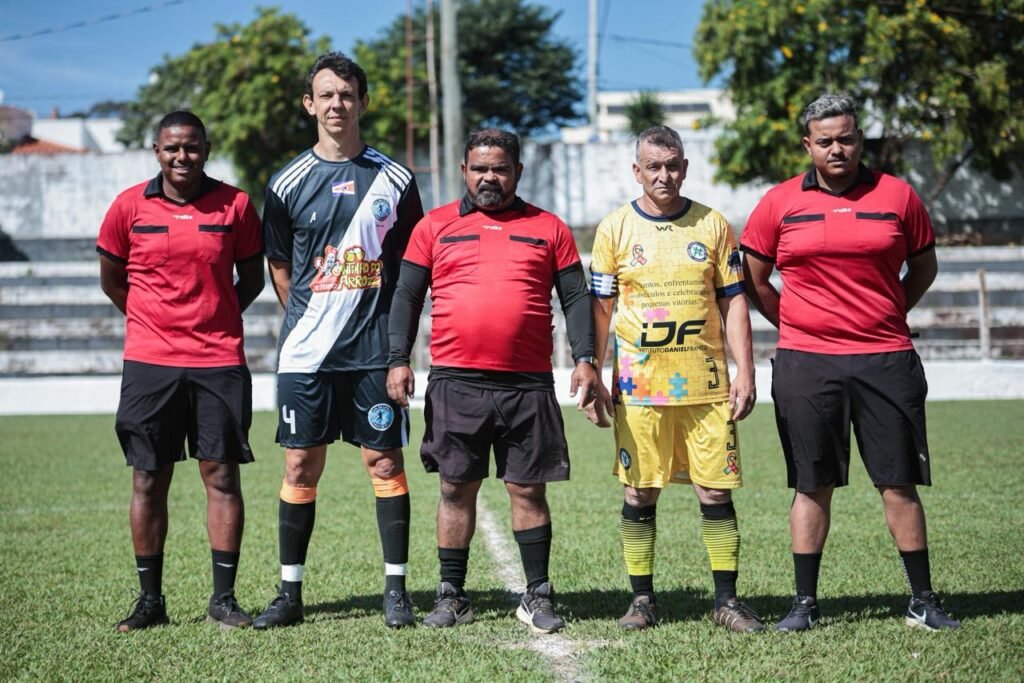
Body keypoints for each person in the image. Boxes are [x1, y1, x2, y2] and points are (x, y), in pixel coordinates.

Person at [741, 93, 959, 632]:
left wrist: (887, 314)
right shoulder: (779, 202)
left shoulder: (898, 195)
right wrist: (796, 324)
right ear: (807, 145)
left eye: (846, 138)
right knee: (811, 483)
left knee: (898, 481)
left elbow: (924, 268)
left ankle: (923, 601)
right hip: (807, 363)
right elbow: (754, 279)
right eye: (825, 141)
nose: (837, 149)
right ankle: (804, 605)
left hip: (886, 359)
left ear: (860, 140)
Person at [387, 128, 598, 634]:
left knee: (528, 489)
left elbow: (574, 298)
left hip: (527, 384)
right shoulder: (433, 226)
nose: (489, 178)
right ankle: (452, 594)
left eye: (500, 169)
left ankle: (538, 594)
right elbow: (407, 296)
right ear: (464, 171)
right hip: (456, 380)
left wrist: (586, 358)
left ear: (517, 172)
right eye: (479, 168)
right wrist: (397, 359)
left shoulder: (549, 228)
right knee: (455, 487)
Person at [254, 52, 424, 630]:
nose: (337, 104)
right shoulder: (285, 183)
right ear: (310, 104)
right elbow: (281, 269)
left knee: (384, 461)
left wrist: (398, 349)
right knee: (300, 464)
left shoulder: (396, 180)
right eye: (326, 95)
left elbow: (411, 272)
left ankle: (396, 591)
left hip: (376, 352)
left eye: (347, 94)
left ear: (363, 102)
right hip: (306, 354)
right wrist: (317, 320)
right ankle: (289, 595)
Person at [586, 125, 763, 633]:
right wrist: (593, 371)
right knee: (640, 493)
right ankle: (642, 600)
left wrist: (745, 370)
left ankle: (726, 601)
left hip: (707, 387)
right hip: (638, 389)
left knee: (715, 492)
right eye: (654, 167)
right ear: (637, 171)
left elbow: (734, 302)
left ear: (684, 167)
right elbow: (601, 309)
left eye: (672, 165)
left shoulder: (713, 224)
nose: (664, 175)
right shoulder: (615, 229)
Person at [97, 110, 265, 632]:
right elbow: (112, 280)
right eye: (172, 148)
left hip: (219, 361)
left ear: (206, 149)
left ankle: (224, 599)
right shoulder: (128, 207)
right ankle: (150, 601)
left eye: (191, 147)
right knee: (148, 477)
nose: (182, 156)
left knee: (222, 475)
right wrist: (152, 322)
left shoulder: (236, 205)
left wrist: (215, 318)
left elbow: (252, 279)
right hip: (150, 362)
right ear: (157, 151)